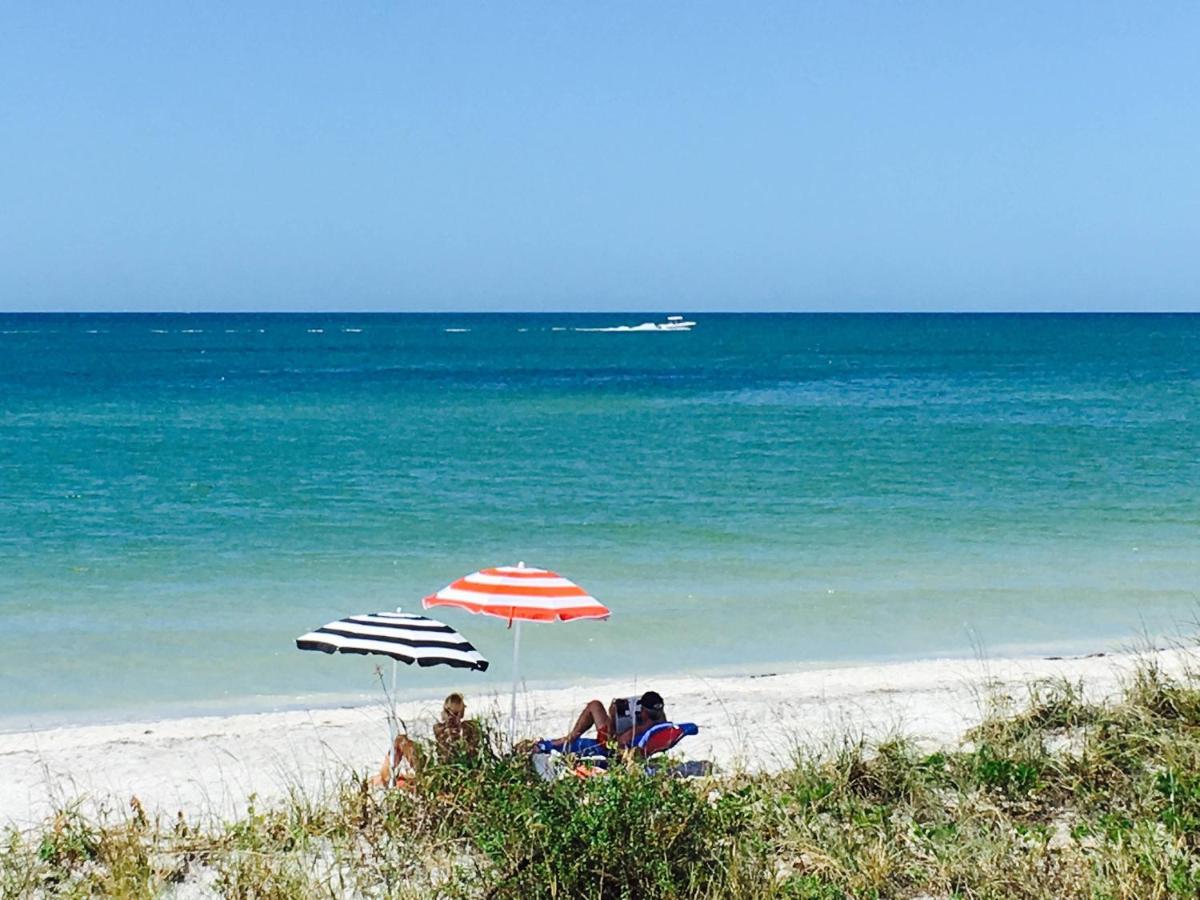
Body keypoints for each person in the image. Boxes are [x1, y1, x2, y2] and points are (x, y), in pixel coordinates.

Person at [375, 692, 481, 786]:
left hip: (442, 776)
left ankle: (384, 777)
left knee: (401, 740)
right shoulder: (473, 727)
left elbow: (448, 727)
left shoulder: (438, 728)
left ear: (445, 711)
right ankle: (386, 778)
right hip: (468, 775)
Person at [557, 690, 667, 750]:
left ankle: (570, 738)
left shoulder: (641, 728)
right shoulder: (662, 723)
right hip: (629, 744)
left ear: (643, 710)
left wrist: (613, 717)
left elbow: (618, 743)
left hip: (610, 747)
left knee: (595, 705)